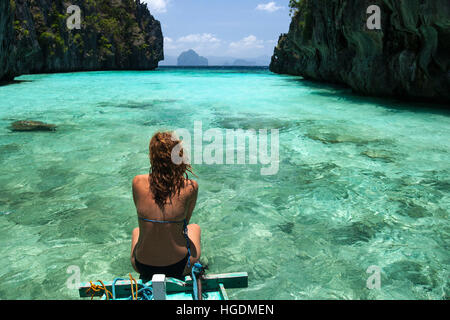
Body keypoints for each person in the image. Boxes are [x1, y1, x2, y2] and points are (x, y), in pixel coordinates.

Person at [130, 131, 200, 281]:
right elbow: (185, 224)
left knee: (136, 230)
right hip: (179, 266)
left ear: (152, 157)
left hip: (142, 265)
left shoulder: (137, 182)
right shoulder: (190, 187)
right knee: (195, 228)